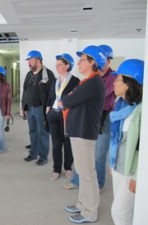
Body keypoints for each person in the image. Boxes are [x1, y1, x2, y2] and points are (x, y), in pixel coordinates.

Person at [59, 45, 106, 223]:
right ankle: (82, 204)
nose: (78, 62)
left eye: (82, 59)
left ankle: (89, 212)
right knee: (83, 171)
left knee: (87, 174)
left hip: (83, 133)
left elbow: (68, 100)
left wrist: (68, 99)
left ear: (92, 62)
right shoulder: (87, 82)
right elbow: (70, 99)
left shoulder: (93, 83)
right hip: (79, 131)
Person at [66, 44, 116, 190]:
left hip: (103, 118)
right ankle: (77, 181)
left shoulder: (108, 78)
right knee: (83, 158)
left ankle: (98, 184)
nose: (79, 63)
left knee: (99, 153)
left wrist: (75, 96)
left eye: (82, 59)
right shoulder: (90, 80)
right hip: (88, 117)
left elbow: (78, 97)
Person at [109, 59, 143, 225]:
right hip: (118, 167)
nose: (114, 82)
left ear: (129, 84)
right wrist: (111, 164)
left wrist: (138, 177)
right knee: (124, 211)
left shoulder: (141, 111)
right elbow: (115, 139)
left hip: (131, 171)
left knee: (119, 212)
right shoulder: (120, 104)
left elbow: (143, 149)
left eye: (118, 79)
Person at [46, 53, 80, 180]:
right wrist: (48, 111)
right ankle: (56, 169)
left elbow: (77, 99)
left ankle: (68, 168)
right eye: (56, 65)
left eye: (60, 65)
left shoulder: (75, 81)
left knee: (67, 143)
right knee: (55, 144)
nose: (57, 67)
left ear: (67, 66)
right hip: (53, 114)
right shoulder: (55, 81)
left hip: (67, 116)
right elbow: (51, 97)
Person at [22, 50, 55, 166]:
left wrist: (49, 109)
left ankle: (43, 156)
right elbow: (25, 91)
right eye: (28, 61)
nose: (29, 63)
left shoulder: (48, 75)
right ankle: (33, 153)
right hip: (30, 108)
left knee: (43, 133)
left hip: (41, 108)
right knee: (33, 132)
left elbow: (52, 94)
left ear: (39, 60)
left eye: (31, 60)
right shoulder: (29, 74)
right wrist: (23, 107)